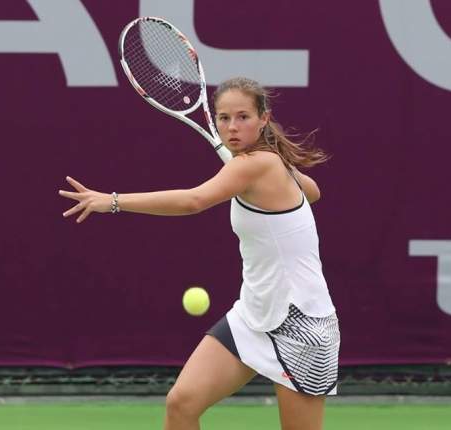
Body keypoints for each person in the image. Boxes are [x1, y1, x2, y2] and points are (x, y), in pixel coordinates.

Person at [59, 77, 340, 430]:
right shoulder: (267, 164)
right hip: (254, 314)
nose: (232, 127)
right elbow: (312, 192)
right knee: (181, 403)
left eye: (243, 117)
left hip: (301, 324)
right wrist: (271, 171)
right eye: (224, 118)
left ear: (263, 119)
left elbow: (193, 201)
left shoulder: (256, 164)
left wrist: (113, 201)